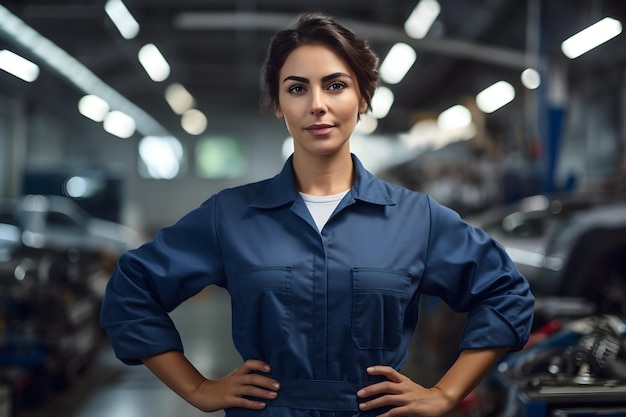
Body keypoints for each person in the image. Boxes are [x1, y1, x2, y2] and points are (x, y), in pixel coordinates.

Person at [100, 12, 534, 417]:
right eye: (296, 88)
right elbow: (131, 289)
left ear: (363, 98)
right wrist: (196, 389)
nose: (317, 105)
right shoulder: (230, 216)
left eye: (335, 85)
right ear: (278, 104)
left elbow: (506, 293)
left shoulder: (416, 218)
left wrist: (446, 393)